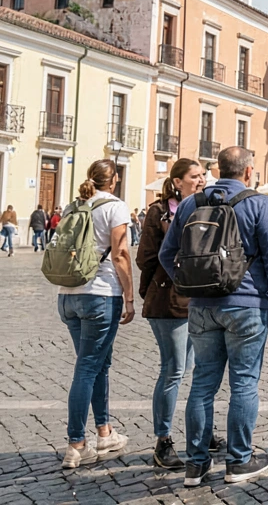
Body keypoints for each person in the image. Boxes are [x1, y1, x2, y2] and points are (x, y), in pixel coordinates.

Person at [159, 146, 268, 486]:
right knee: (244, 382)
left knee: (202, 383)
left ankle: (195, 464)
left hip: (201, 306)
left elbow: (166, 253)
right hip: (246, 303)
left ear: (218, 169)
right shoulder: (259, 203)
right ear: (248, 171)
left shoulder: (191, 203)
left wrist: (188, 283)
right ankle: (239, 460)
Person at [57, 160, 135, 468]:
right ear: (113, 181)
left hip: (68, 294)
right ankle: (76, 443)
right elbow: (120, 253)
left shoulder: (72, 206)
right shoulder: (115, 206)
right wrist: (129, 296)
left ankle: (104, 432)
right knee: (88, 368)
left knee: (98, 364)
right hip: (100, 294)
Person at [137, 158, 209, 469]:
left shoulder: (205, 208)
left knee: (194, 369)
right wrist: (179, 268)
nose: (201, 180)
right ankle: (163, 440)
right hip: (168, 300)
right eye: (194, 176)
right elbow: (145, 257)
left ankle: (201, 431)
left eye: (203, 175)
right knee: (174, 369)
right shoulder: (159, 212)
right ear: (177, 182)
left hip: (198, 300)